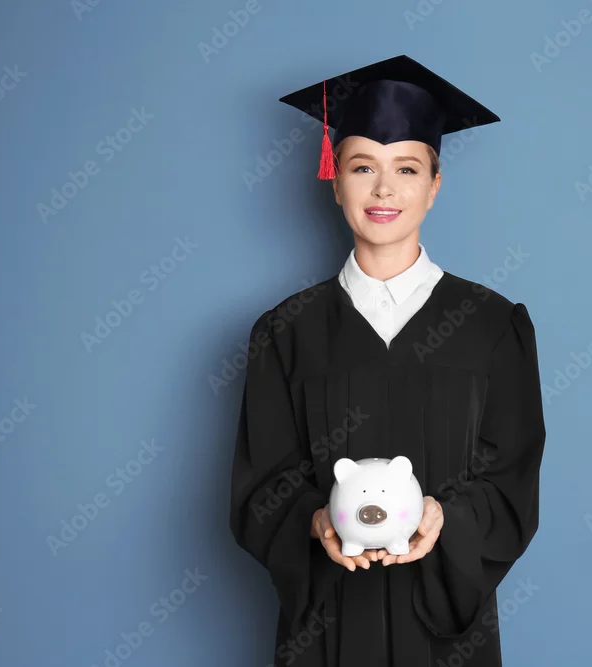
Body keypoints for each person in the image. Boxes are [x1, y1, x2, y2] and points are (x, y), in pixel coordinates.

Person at [229, 54, 546, 667]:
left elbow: (512, 481)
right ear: (335, 181)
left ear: (434, 185)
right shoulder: (285, 332)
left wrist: (444, 520)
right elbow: (258, 486)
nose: (383, 189)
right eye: (362, 167)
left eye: (406, 168)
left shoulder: (492, 325)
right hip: (324, 634)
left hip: (448, 639)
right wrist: (316, 522)